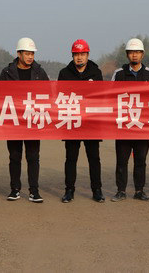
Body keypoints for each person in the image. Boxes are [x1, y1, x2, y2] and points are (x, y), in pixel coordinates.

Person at [0, 37, 50, 203]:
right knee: (15, 156)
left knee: (33, 157)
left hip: (33, 120)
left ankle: (34, 191)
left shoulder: (40, 73)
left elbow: (48, 94)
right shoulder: (7, 73)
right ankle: (14, 189)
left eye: (32, 54)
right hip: (13, 121)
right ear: (19, 54)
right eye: (27, 53)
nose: (30, 57)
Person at [57, 39, 104, 203]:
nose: (79, 57)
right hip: (72, 122)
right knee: (71, 158)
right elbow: (59, 96)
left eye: (82, 54)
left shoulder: (96, 73)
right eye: (76, 54)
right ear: (72, 55)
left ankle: (97, 190)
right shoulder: (64, 74)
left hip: (91, 122)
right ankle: (69, 190)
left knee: (94, 158)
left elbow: (101, 97)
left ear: (88, 55)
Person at [110, 38, 149, 202]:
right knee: (121, 160)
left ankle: (139, 190)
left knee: (140, 160)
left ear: (142, 54)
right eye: (131, 52)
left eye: (137, 52)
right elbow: (110, 97)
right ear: (127, 55)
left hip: (142, 126)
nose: (134, 55)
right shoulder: (119, 74)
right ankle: (121, 191)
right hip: (123, 125)